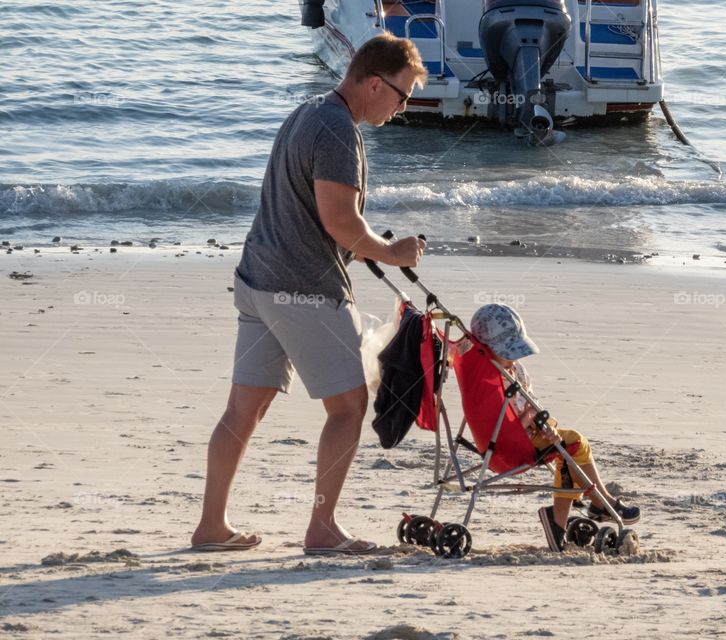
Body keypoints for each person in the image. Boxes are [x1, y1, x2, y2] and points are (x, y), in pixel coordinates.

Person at [190, 34, 428, 555]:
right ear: (372, 83)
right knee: (349, 406)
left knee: (243, 410)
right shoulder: (339, 129)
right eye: (402, 95)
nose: (404, 107)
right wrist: (392, 252)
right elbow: (340, 220)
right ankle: (322, 530)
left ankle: (211, 526)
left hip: (257, 280)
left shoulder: (308, 111)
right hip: (300, 289)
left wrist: (364, 248)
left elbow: (316, 216)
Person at [469, 303, 640, 552]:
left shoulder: (505, 372)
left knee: (571, 444)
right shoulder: (493, 380)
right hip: (513, 443)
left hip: (526, 432)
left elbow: (530, 404)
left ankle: (599, 501)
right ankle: (568, 517)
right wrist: (530, 420)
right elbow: (506, 422)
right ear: (490, 349)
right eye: (509, 351)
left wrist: (540, 421)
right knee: (572, 446)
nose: (514, 357)